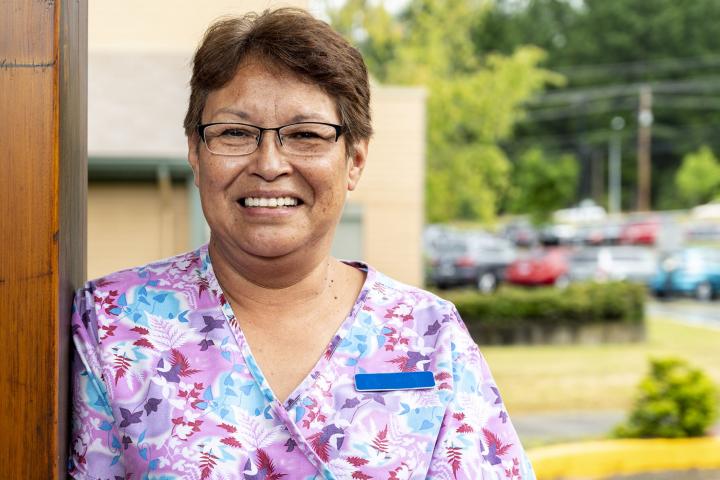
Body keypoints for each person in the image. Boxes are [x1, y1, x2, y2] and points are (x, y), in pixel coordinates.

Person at [69, 8, 534, 479]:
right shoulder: (113, 323)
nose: (269, 163)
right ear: (195, 151)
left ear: (354, 159)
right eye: (234, 133)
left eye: (306, 135)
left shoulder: (429, 336)